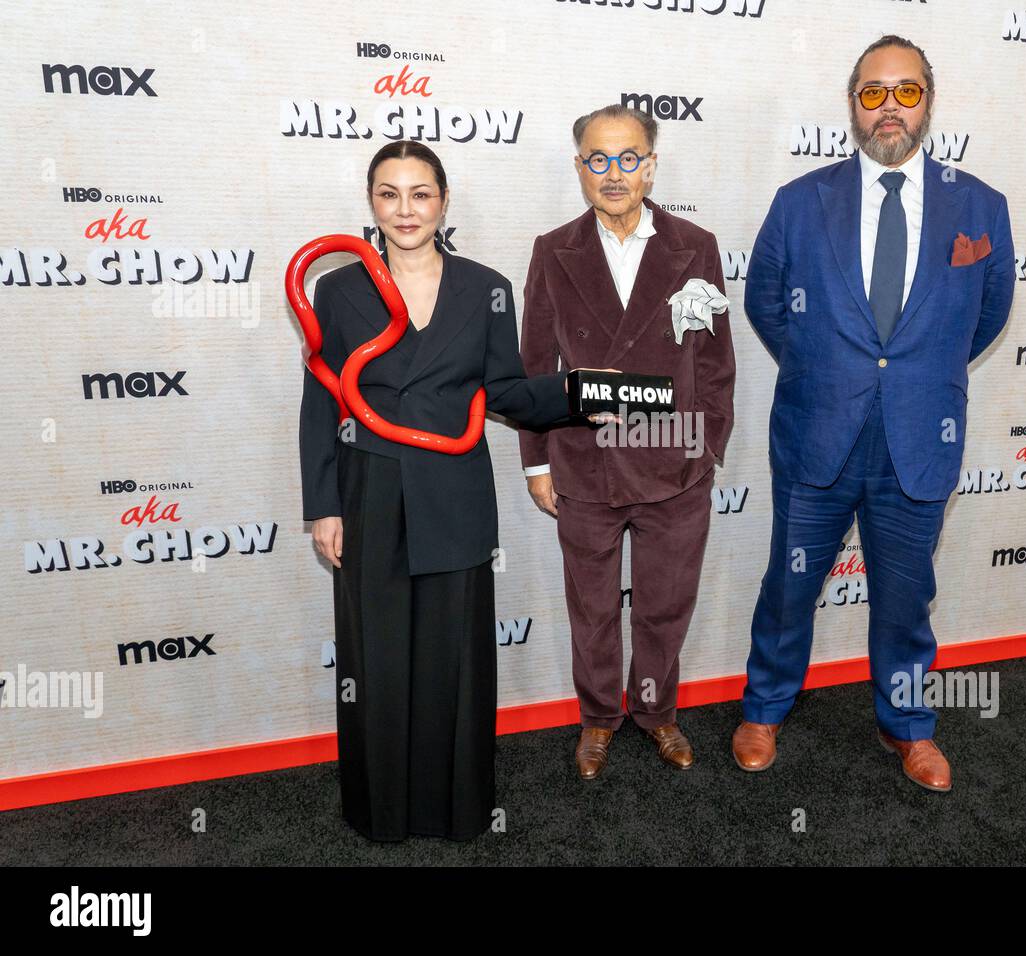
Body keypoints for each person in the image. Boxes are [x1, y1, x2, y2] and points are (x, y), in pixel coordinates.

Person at [732, 36, 1015, 791]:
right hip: (816, 432)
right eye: (872, 91)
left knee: (905, 595)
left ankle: (909, 725)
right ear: (853, 104)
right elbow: (765, 300)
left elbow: (984, 318)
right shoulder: (800, 201)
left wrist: (914, 375)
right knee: (789, 585)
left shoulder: (980, 206)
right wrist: (828, 367)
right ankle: (764, 708)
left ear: (929, 98)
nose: (889, 104)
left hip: (919, 438)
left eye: (907, 90)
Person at [298, 139, 578, 841]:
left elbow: (509, 391)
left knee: (453, 656)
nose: (405, 209)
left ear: (443, 202)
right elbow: (319, 401)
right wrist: (323, 503)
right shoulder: (337, 288)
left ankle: (457, 809)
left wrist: (579, 398)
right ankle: (380, 811)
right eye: (389, 194)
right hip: (368, 488)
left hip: (452, 488)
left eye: (420, 194)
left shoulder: (486, 287)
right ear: (371, 204)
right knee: (377, 658)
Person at [518, 105, 736, 780]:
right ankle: (598, 719)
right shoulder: (552, 249)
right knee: (592, 608)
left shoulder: (695, 244)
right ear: (580, 167)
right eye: (599, 159)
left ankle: (655, 711)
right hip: (584, 467)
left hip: (675, 463)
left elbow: (714, 360)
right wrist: (535, 461)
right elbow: (534, 368)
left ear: (652, 163)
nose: (615, 174)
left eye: (629, 157)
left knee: (667, 602)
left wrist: (706, 450)